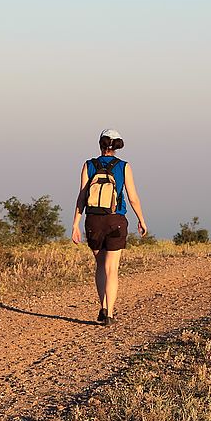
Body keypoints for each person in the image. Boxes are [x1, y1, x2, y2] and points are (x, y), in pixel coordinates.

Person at [71, 129, 148, 326]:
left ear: (100, 144)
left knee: (100, 265)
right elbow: (133, 198)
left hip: (93, 220)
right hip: (116, 220)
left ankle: (103, 306)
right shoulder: (123, 166)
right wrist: (141, 219)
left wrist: (75, 225)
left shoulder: (89, 165)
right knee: (112, 268)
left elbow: (81, 197)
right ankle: (110, 314)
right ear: (117, 146)